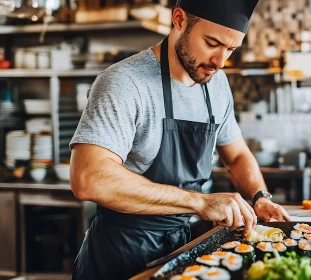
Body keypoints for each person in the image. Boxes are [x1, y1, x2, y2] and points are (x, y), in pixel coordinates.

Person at [69, 0, 290, 279]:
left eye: (231, 50)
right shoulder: (124, 82)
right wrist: (200, 202)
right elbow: (89, 179)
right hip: (119, 256)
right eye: (212, 43)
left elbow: (237, 156)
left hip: (179, 249)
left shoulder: (216, 85)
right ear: (179, 19)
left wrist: (260, 197)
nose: (220, 62)